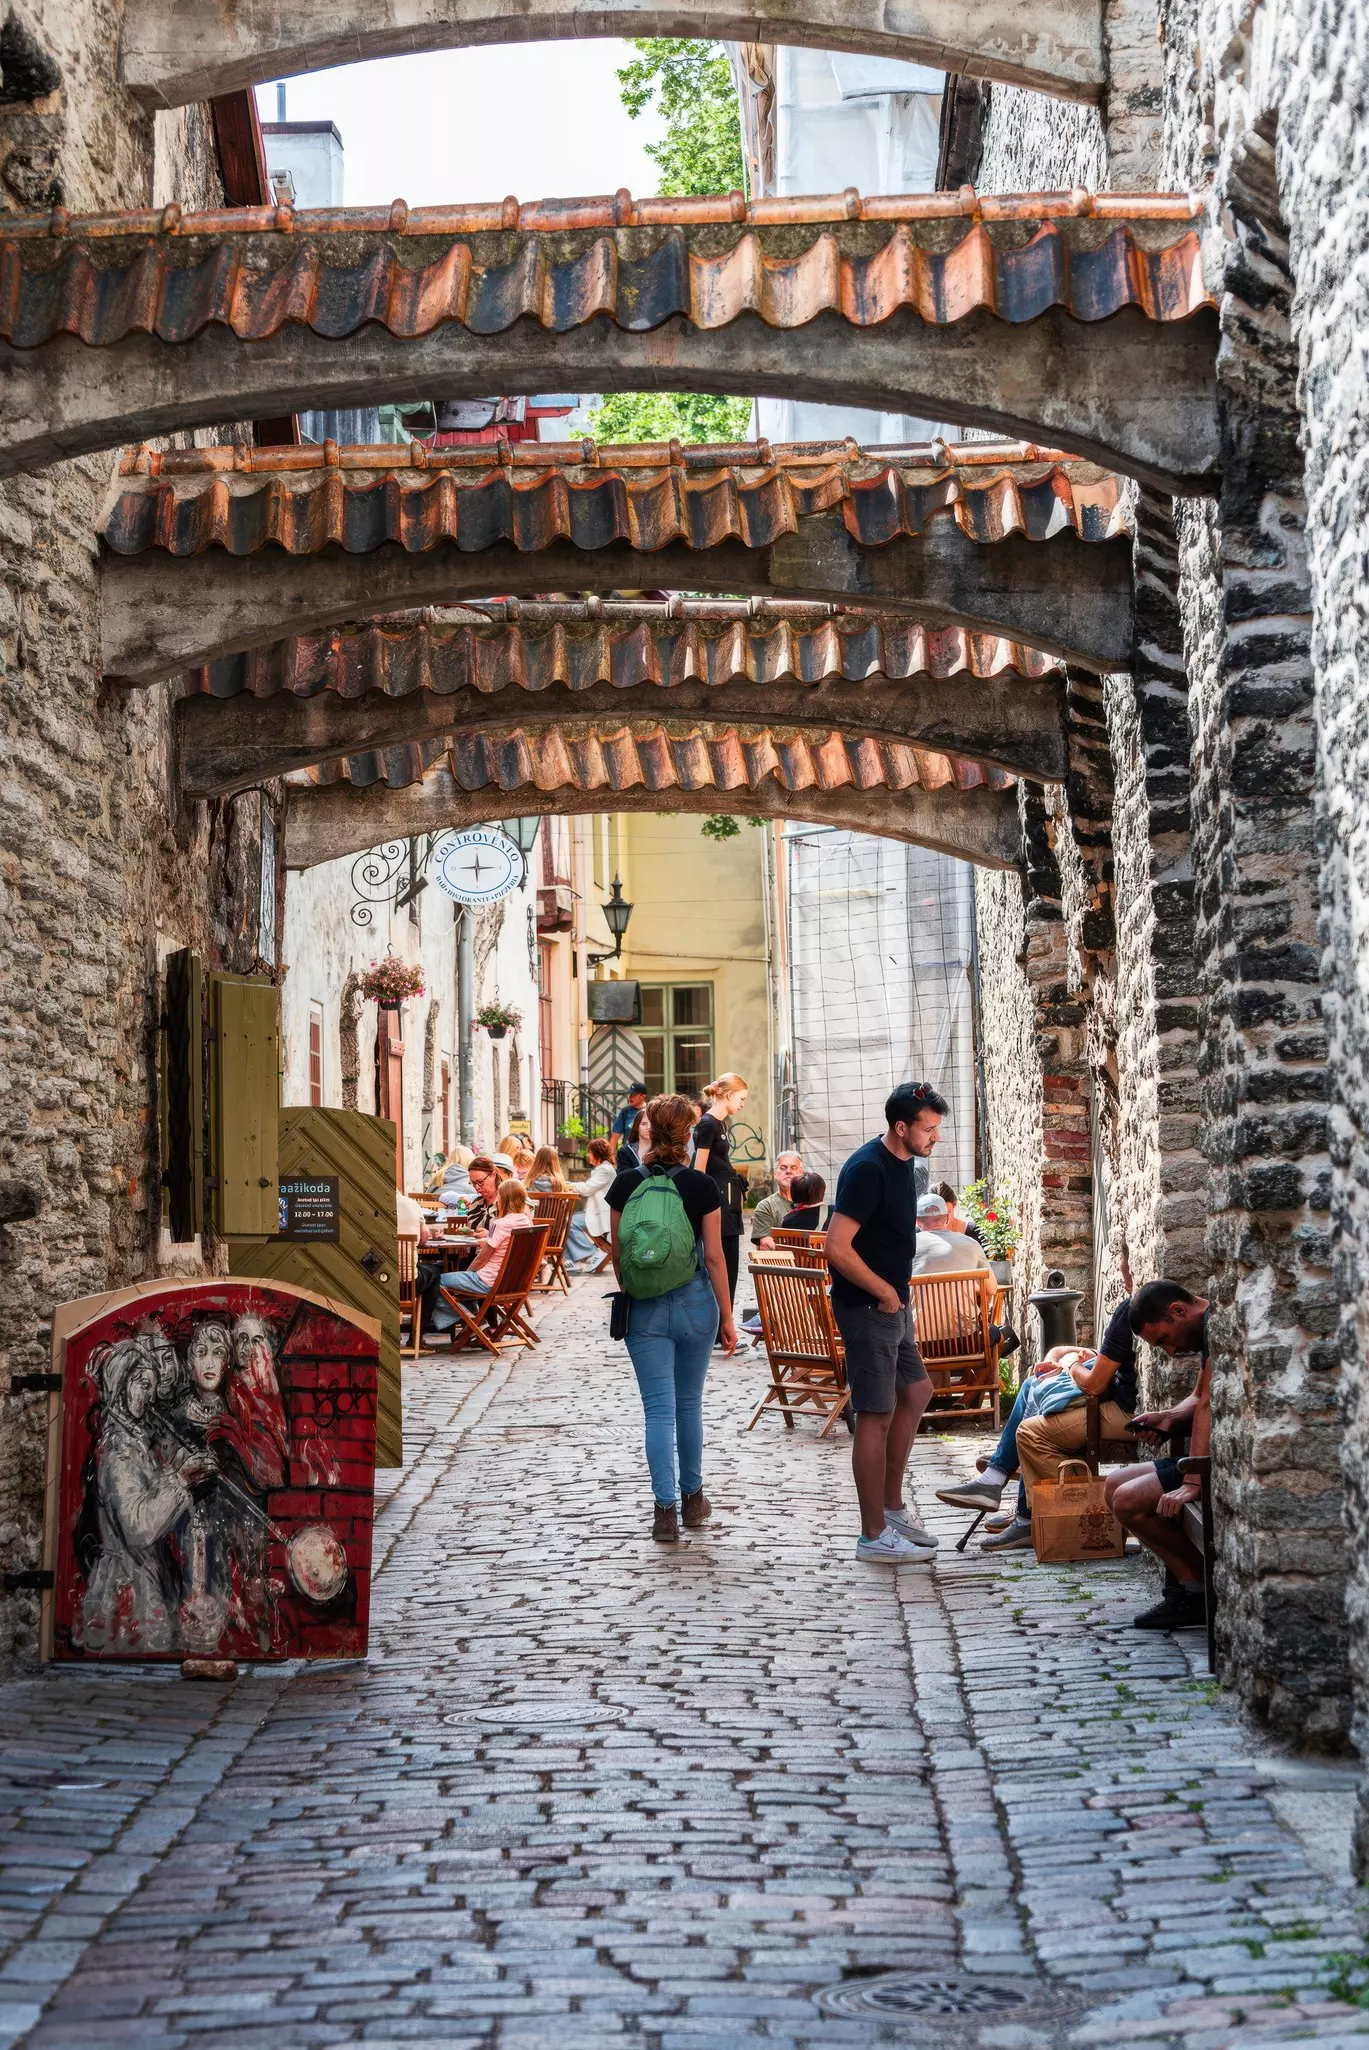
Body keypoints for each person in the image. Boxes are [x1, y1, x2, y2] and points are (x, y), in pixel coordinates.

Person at [607, 1092, 737, 1544]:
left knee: (657, 1411)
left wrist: (637, 1290)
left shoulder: (624, 1184)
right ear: (687, 1134)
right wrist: (727, 1316)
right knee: (689, 1405)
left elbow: (619, 1255)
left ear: (647, 1129)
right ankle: (694, 1500)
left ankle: (663, 1511)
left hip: (644, 1308)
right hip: (696, 1301)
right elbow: (716, 1258)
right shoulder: (702, 1187)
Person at [827, 1081, 948, 1566]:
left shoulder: (908, 1166)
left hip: (895, 1303)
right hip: (869, 1307)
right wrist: (882, 1292)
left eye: (938, 1128)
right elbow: (836, 1247)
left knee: (917, 1392)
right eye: (929, 1128)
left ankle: (892, 1508)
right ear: (901, 1127)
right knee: (874, 1417)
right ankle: (872, 1535)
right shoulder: (866, 1170)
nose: (935, 1137)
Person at [1104, 1279, 1212, 1630]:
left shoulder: (1217, 1324)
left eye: (1164, 1339)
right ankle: (1193, 1580)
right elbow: (1197, 1398)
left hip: (1214, 1463)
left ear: (1179, 1311)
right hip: (1200, 1454)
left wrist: (1193, 1480)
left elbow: (1208, 1406)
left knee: (1127, 1501)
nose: (1169, 1351)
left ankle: (1197, 1588)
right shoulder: (1209, 1331)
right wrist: (1168, 1418)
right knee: (1113, 1486)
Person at [430, 1177, 538, 1321]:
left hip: (488, 1281)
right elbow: (506, 1245)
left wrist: (466, 1273)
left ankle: (470, 1319)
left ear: (503, 1199)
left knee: (436, 1280)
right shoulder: (525, 1222)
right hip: (512, 1283)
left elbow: (482, 1259)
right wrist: (488, 1240)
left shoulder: (500, 1224)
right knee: (459, 1282)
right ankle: (475, 1318)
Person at [692, 1072, 748, 1310]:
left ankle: (723, 1327)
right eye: (741, 1098)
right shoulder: (708, 1123)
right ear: (727, 1094)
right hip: (719, 1201)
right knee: (723, 1263)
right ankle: (719, 1329)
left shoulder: (718, 1122)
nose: (743, 1104)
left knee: (730, 1263)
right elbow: (699, 1169)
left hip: (726, 1198)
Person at [564, 1136, 616, 1271]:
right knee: (568, 1221)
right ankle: (575, 1259)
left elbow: (587, 1189)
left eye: (590, 1152)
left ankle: (588, 1253)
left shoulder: (605, 1169)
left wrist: (568, 1185)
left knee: (569, 1222)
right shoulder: (603, 1168)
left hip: (602, 1214)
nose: (588, 1155)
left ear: (597, 1152)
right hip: (597, 1212)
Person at [910, 1192, 992, 1275]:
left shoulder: (907, 1246)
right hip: (962, 1288)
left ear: (917, 1221)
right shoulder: (972, 1244)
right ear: (947, 1218)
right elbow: (991, 1287)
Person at [440, 1154, 504, 1232]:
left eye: (480, 1182)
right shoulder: (476, 1203)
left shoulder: (507, 1202)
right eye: (473, 1183)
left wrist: (489, 1237)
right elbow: (444, 1196)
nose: (477, 1187)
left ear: (493, 1175)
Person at [752, 1151, 804, 1244]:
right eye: (783, 1168)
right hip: (779, 1258)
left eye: (794, 1168)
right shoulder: (766, 1206)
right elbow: (765, 1244)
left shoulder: (810, 1201)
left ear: (801, 1173)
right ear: (775, 1173)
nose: (788, 1171)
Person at [611, 1084, 648, 1158]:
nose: (629, 1097)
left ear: (643, 1096)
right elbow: (614, 1137)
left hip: (647, 1156)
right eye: (629, 1094)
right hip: (628, 1156)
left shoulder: (651, 1110)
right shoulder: (625, 1112)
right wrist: (611, 1158)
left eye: (633, 1095)